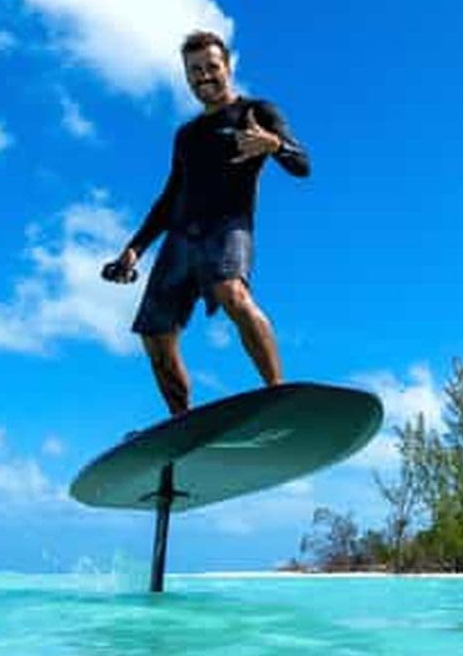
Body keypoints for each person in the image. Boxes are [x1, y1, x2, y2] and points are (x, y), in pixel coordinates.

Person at [103, 31, 310, 415]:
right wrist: (134, 249)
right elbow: (168, 199)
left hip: (228, 228)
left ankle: (277, 393)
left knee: (232, 293)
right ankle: (182, 424)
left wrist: (275, 146)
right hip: (181, 237)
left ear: (228, 66)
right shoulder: (186, 135)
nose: (203, 77)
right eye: (194, 71)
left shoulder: (258, 112)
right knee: (155, 338)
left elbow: (303, 166)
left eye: (211, 67)